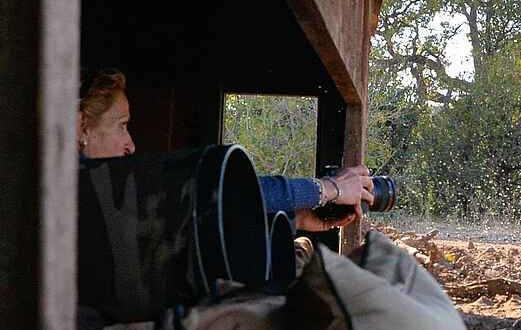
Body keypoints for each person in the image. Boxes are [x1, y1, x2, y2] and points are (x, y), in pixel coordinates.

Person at [77, 68, 374, 231]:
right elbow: (228, 193)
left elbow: (204, 222)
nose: (131, 145)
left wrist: (295, 219)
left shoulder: (103, 194)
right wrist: (328, 189)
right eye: (122, 125)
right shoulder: (84, 187)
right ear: (82, 126)